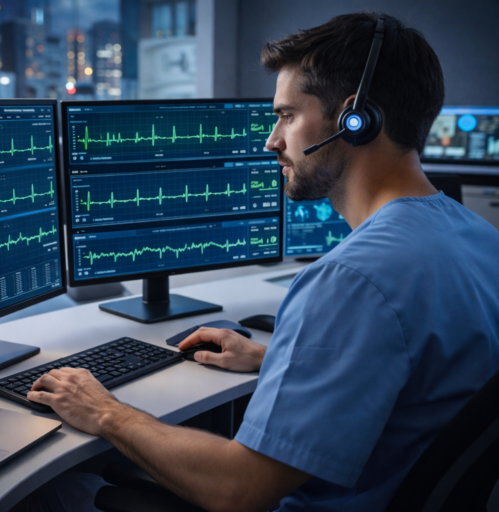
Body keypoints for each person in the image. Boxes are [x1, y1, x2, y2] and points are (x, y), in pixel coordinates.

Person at [25, 12, 499, 512]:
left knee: (57, 492)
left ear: (355, 120)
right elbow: (422, 387)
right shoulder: (478, 238)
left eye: (288, 116)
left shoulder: (350, 279)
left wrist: (106, 413)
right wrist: (278, 360)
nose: (272, 141)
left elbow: (239, 489)